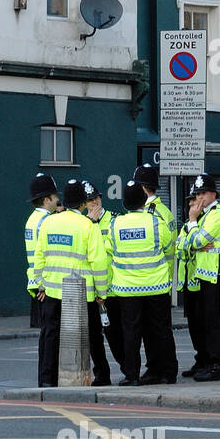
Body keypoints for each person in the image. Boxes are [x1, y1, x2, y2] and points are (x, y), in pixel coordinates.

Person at [31, 179, 109, 387]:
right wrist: (102, 292)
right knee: (92, 337)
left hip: (53, 291)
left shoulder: (48, 222)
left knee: (51, 336)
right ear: (83, 203)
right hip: (83, 294)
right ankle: (102, 375)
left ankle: (47, 381)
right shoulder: (87, 225)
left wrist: (40, 285)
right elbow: (99, 262)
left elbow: (39, 257)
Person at [107, 181, 178, 386]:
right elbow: (167, 247)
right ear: (143, 201)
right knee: (162, 330)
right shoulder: (156, 222)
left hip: (127, 288)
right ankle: (169, 373)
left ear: (125, 203)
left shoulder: (115, 224)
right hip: (156, 286)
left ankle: (132, 375)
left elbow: (109, 250)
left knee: (131, 333)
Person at [178, 175, 220, 382]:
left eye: (203, 193)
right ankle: (205, 361)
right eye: (197, 194)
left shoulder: (217, 215)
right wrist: (194, 235)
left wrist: (193, 224)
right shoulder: (203, 217)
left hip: (218, 274)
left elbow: (199, 240)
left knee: (215, 321)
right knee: (202, 321)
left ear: (213, 193)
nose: (200, 198)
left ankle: (219, 365)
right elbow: (183, 244)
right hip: (203, 275)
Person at [133, 163, 178, 384]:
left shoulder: (148, 213)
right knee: (162, 329)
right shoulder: (165, 211)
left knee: (152, 331)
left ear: (142, 188)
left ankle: (157, 370)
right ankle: (168, 370)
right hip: (164, 278)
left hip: (151, 278)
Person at [83, 187, 125, 377]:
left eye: (96, 198)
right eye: (89, 200)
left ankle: (128, 370)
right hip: (90, 290)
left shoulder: (116, 219)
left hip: (111, 289)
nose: (94, 203)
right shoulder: (82, 224)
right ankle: (101, 374)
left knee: (115, 334)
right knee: (93, 337)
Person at [24, 173, 59, 329]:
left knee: (45, 332)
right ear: (46, 200)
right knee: (51, 332)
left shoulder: (33, 218)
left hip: (35, 281)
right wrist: (43, 285)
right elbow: (48, 255)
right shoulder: (47, 221)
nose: (57, 199)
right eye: (55, 196)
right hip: (45, 284)